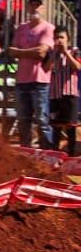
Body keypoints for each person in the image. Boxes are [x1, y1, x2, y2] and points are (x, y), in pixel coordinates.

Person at [7, 0, 55, 149]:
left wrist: (20, 52)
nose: (35, 8)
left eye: (38, 5)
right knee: (23, 119)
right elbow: (11, 51)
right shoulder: (21, 28)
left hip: (40, 80)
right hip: (22, 80)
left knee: (42, 120)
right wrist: (30, 52)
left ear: (43, 8)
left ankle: (48, 150)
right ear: (28, 7)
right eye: (32, 5)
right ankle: (26, 150)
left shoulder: (48, 28)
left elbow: (41, 52)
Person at [45, 25, 81, 155]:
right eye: (56, 38)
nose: (59, 40)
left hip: (70, 95)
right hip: (55, 95)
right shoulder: (51, 53)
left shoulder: (75, 51)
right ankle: (55, 155)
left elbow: (78, 67)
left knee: (71, 127)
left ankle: (71, 156)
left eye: (62, 37)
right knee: (56, 128)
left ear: (68, 39)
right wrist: (55, 54)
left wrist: (66, 52)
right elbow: (45, 68)